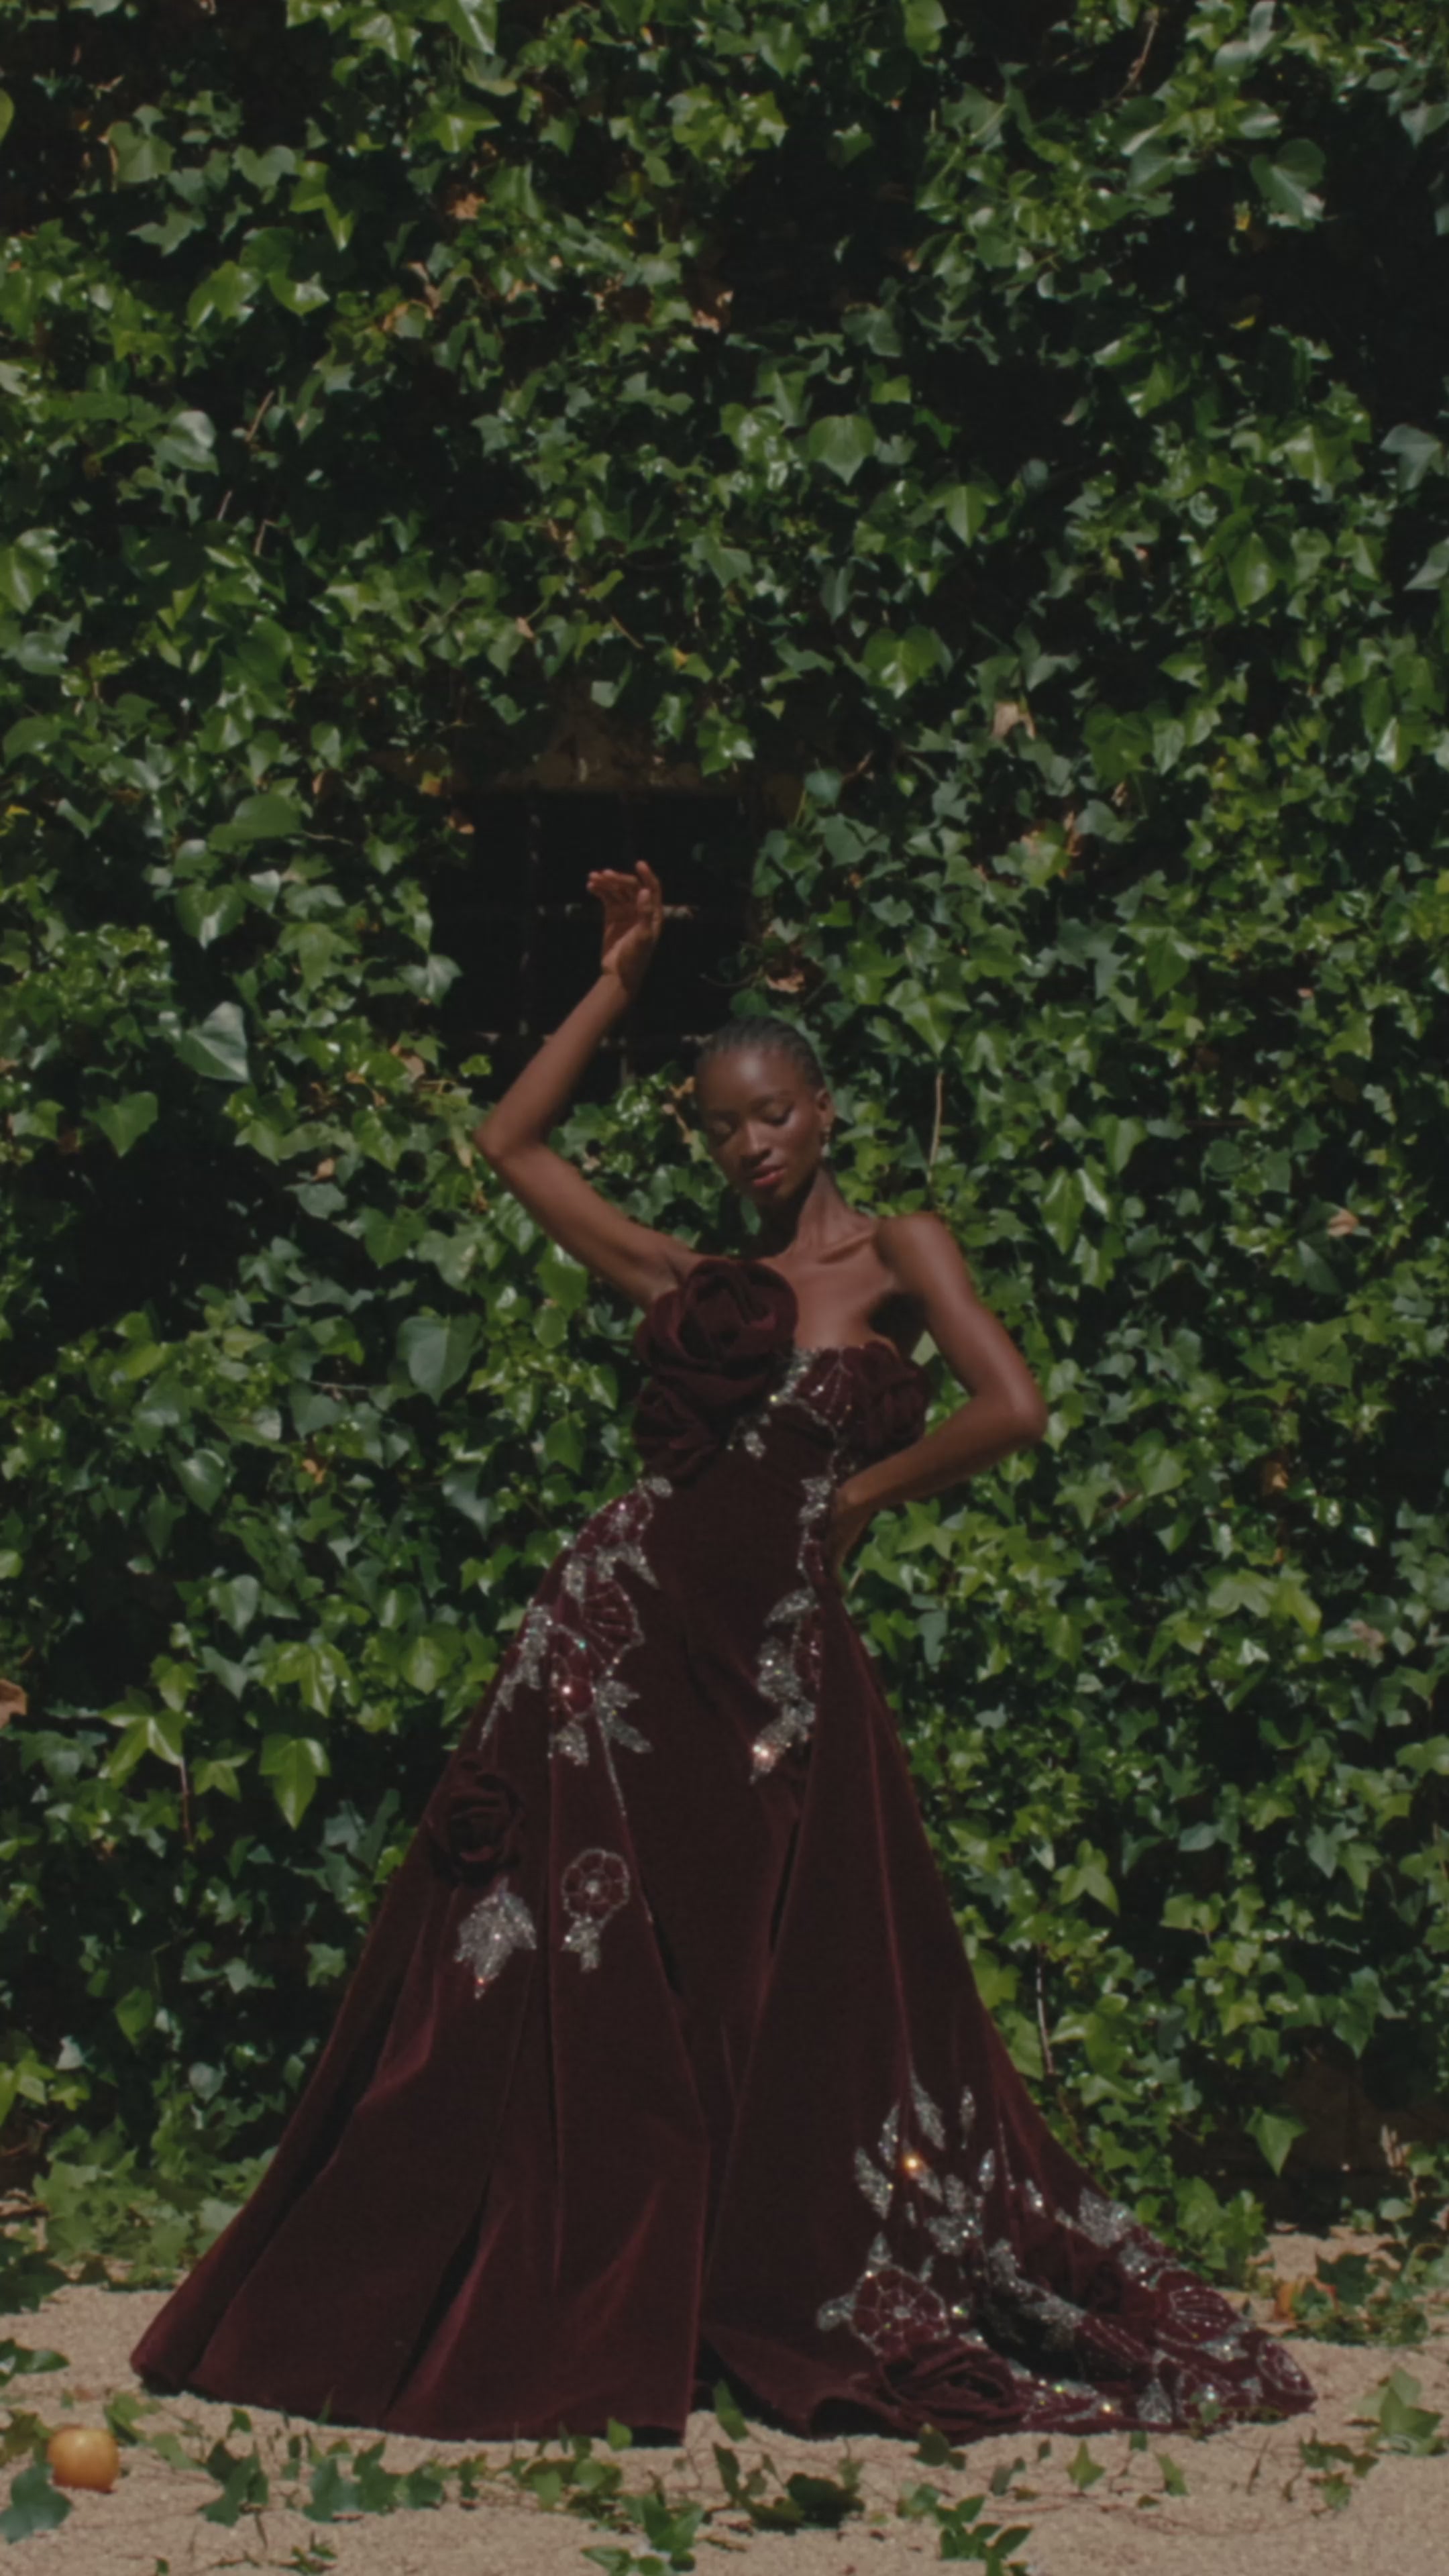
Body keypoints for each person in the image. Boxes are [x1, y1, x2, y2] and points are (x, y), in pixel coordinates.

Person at [132, 863, 1313, 2442]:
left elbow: (1014, 1409)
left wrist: (857, 1501)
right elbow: (508, 1145)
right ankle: (549, 2291)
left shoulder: (899, 1249)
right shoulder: (693, 1282)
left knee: (778, 1983)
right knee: (566, 1978)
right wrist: (618, 980)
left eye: (771, 1115)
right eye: (717, 1127)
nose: (748, 1145)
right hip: (609, 1657)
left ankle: (742, 2275)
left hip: (775, 1675)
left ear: (823, 1112)